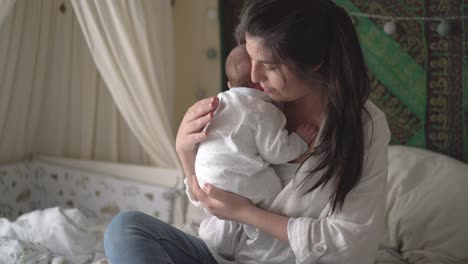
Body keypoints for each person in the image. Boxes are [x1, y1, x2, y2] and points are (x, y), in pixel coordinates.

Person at [103, 0, 391, 263]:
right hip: (221, 254)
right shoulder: (252, 104)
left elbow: (351, 245)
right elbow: (217, 193)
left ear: (314, 61)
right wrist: (186, 153)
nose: (253, 77)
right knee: (125, 228)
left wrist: (246, 213)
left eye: (268, 65)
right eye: (250, 59)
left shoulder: (365, 127)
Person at [193, 44, 316, 256]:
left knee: (227, 216)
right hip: (237, 177)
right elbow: (276, 152)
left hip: (206, 175)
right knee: (273, 193)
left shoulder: (219, 101)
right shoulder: (263, 109)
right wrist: (299, 140)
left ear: (230, 84)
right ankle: (262, 240)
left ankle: (218, 239)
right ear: (262, 83)